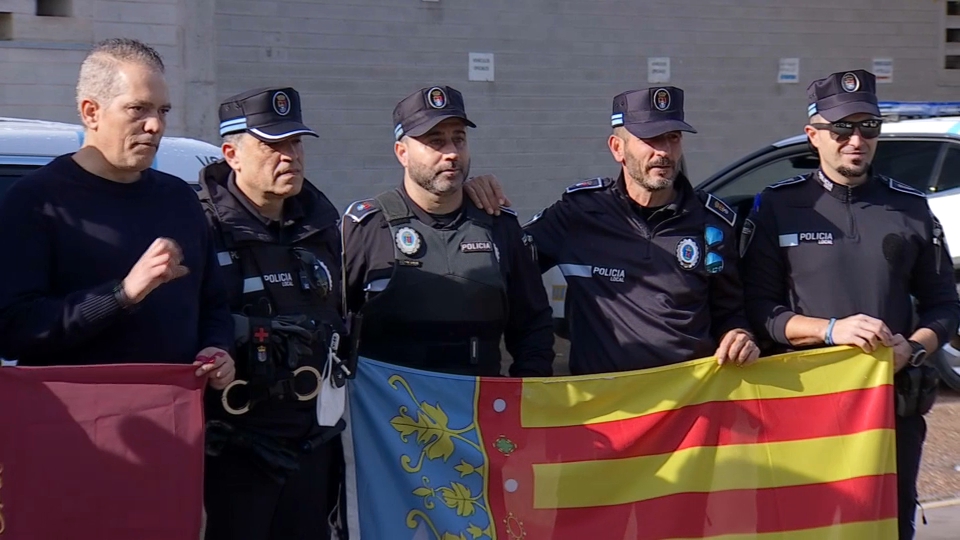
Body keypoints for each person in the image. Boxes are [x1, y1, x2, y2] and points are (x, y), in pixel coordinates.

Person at [740, 69, 960, 539]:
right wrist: (829, 329)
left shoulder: (911, 207)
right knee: (804, 526)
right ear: (813, 135)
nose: (855, 140)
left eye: (868, 127)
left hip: (890, 408)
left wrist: (914, 349)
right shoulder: (777, 206)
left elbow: (945, 306)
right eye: (842, 128)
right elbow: (760, 310)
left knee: (888, 525)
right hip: (806, 407)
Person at [466, 86, 759, 374]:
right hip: (604, 408)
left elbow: (730, 312)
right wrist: (465, 198)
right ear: (617, 148)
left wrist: (740, 335)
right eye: (651, 138)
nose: (664, 152)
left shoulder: (713, 222)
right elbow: (505, 260)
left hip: (686, 406)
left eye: (673, 138)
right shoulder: (579, 213)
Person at [0, 38, 234, 383]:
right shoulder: (37, 201)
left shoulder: (179, 198)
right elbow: (14, 329)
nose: (155, 126)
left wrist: (217, 349)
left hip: (175, 418)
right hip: (76, 425)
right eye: (138, 109)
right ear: (91, 112)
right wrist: (121, 294)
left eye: (163, 111)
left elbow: (214, 304)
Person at [197, 87, 348, 540]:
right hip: (233, 449)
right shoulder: (201, 227)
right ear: (232, 154)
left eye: (296, 143)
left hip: (312, 443)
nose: (290, 157)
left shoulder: (321, 223)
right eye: (272, 145)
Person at [341, 85, 554, 377]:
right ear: (402, 153)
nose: (451, 153)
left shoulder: (498, 226)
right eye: (436, 141)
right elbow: (334, 325)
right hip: (389, 415)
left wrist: (525, 396)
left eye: (459, 139)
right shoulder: (366, 229)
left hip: (478, 413)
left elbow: (532, 327)